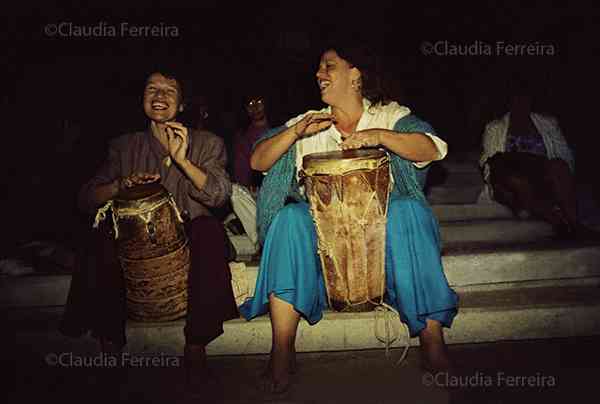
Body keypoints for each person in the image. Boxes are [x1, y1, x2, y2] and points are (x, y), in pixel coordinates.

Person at [238, 43, 459, 393]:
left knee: (408, 210)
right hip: (325, 258)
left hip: (381, 253)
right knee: (289, 218)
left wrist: (381, 137)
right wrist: (295, 133)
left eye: (329, 66)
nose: (319, 74)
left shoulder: (389, 116)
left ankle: (432, 342)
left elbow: (432, 147)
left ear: (356, 75)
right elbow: (258, 162)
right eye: (319, 68)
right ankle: (281, 350)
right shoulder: (307, 123)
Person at [59, 68, 239, 395]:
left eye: (169, 91)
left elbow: (219, 195)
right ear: (142, 99)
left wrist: (182, 160)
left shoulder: (207, 142)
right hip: (137, 248)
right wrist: (119, 185)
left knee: (209, 232)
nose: (159, 97)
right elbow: (85, 199)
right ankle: (110, 343)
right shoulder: (124, 147)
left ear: (181, 104)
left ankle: (196, 343)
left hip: (189, 243)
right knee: (99, 235)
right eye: (151, 89)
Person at [478, 88, 593, 239]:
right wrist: (493, 182)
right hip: (510, 178)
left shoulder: (548, 123)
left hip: (542, 173)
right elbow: (488, 162)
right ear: (509, 103)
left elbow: (565, 155)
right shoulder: (494, 128)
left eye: (524, 100)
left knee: (560, 166)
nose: (520, 104)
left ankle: (574, 222)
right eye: (516, 100)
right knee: (515, 178)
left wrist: (562, 180)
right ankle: (557, 221)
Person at [232, 94, 271, 192]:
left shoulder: (281, 128)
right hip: (260, 189)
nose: (255, 108)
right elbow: (241, 167)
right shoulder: (243, 136)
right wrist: (244, 189)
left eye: (259, 102)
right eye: (250, 104)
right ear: (246, 109)